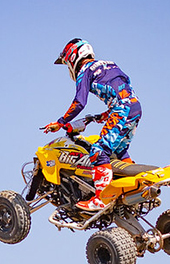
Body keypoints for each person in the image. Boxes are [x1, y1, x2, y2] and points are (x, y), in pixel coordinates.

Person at [44, 38, 142, 211]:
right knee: (118, 150)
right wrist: (104, 115)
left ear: (74, 57)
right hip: (135, 107)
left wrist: (61, 122)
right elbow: (124, 89)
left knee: (98, 151)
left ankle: (101, 198)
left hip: (121, 110)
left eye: (68, 63)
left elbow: (79, 102)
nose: (69, 68)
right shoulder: (110, 64)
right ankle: (134, 188)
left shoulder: (85, 70)